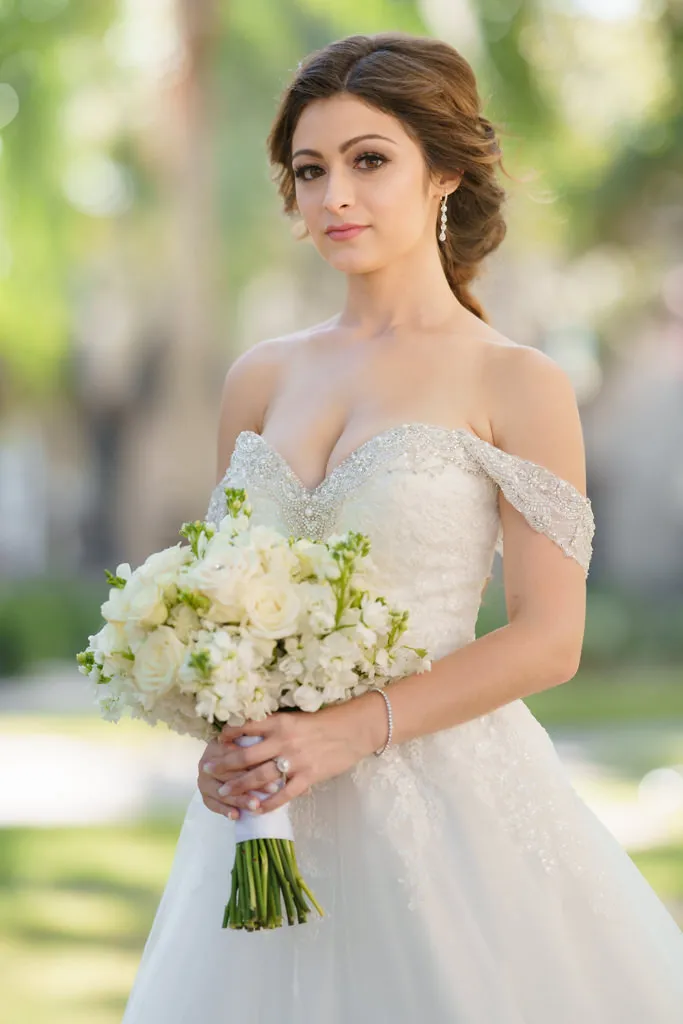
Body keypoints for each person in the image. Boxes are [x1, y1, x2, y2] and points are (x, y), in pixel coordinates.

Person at [122, 32, 683, 1023]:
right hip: (266, 820)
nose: (333, 193)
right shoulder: (258, 376)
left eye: (368, 160)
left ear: (445, 174)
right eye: (309, 169)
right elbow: (225, 607)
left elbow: (548, 639)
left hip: (445, 812)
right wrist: (220, 734)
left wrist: (347, 732)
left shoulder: (516, 381)